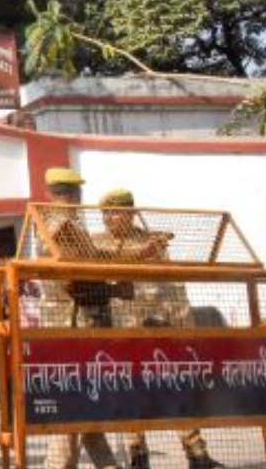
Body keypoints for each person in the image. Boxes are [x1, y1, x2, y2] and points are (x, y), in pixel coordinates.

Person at [99, 189, 223, 469]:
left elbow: (173, 285)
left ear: (130, 213)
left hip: (162, 329)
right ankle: (138, 456)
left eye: (115, 212)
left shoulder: (153, 242)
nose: (109, 219)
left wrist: (184, 325)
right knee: (132, 393)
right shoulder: (99, 244)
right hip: (126, 332)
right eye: (105, 213)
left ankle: (197, 454)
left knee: (177, 388)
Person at [38, 168, 122, 469]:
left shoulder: (63, 222)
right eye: (73, 193)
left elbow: (89, 261)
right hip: (72, 326)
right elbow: (83, 261)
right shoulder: (57, 221)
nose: (76, 198)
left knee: (89, 408)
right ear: (70, 194)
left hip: (81, 324)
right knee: (75, 407)